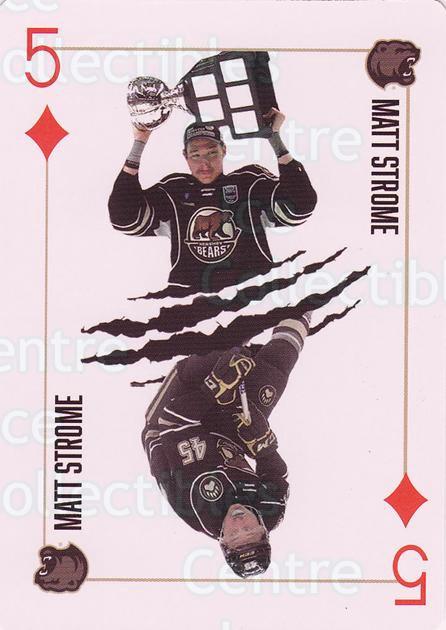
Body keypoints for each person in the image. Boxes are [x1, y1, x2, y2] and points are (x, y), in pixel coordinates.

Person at [141, 312, 312, 577]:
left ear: (222, 541)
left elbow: (174, 420)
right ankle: (304, 303)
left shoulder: (199, 500)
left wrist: (215, 387)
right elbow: (277, 476)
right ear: (263, 530)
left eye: (234, 536)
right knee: (272, 376)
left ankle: (223, 318)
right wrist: (265, 448)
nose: (239, 524)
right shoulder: (272, 511)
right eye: (249, 531)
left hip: (168, 426)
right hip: (224, 441)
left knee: (221, 358)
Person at [109, 110, 317, 293]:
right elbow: (123, 218)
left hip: (252, 296)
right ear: (185, 156)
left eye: (211, 153)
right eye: (195, 155)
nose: (205, 164)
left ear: (224, 150)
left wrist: (274, 138)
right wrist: (140, 142)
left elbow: (301, 206)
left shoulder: (249, 183)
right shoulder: (173, 191)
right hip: (191, 302)